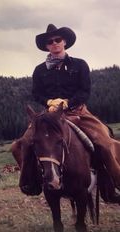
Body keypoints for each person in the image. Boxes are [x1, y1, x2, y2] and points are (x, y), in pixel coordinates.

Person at [12, 24, 120, 203]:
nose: (54, 43)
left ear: (65, 42)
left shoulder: (79, 64)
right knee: (20, 144)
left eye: (57, 40)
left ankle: (113, 185)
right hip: (50, 114)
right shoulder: (39, 70)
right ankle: (30, 183)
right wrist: (48, 102)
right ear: (46, 46)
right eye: (50, 41)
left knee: (104, 141)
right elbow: (36, 93)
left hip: (77, 111)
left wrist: (68, 102)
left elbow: (85, 91)